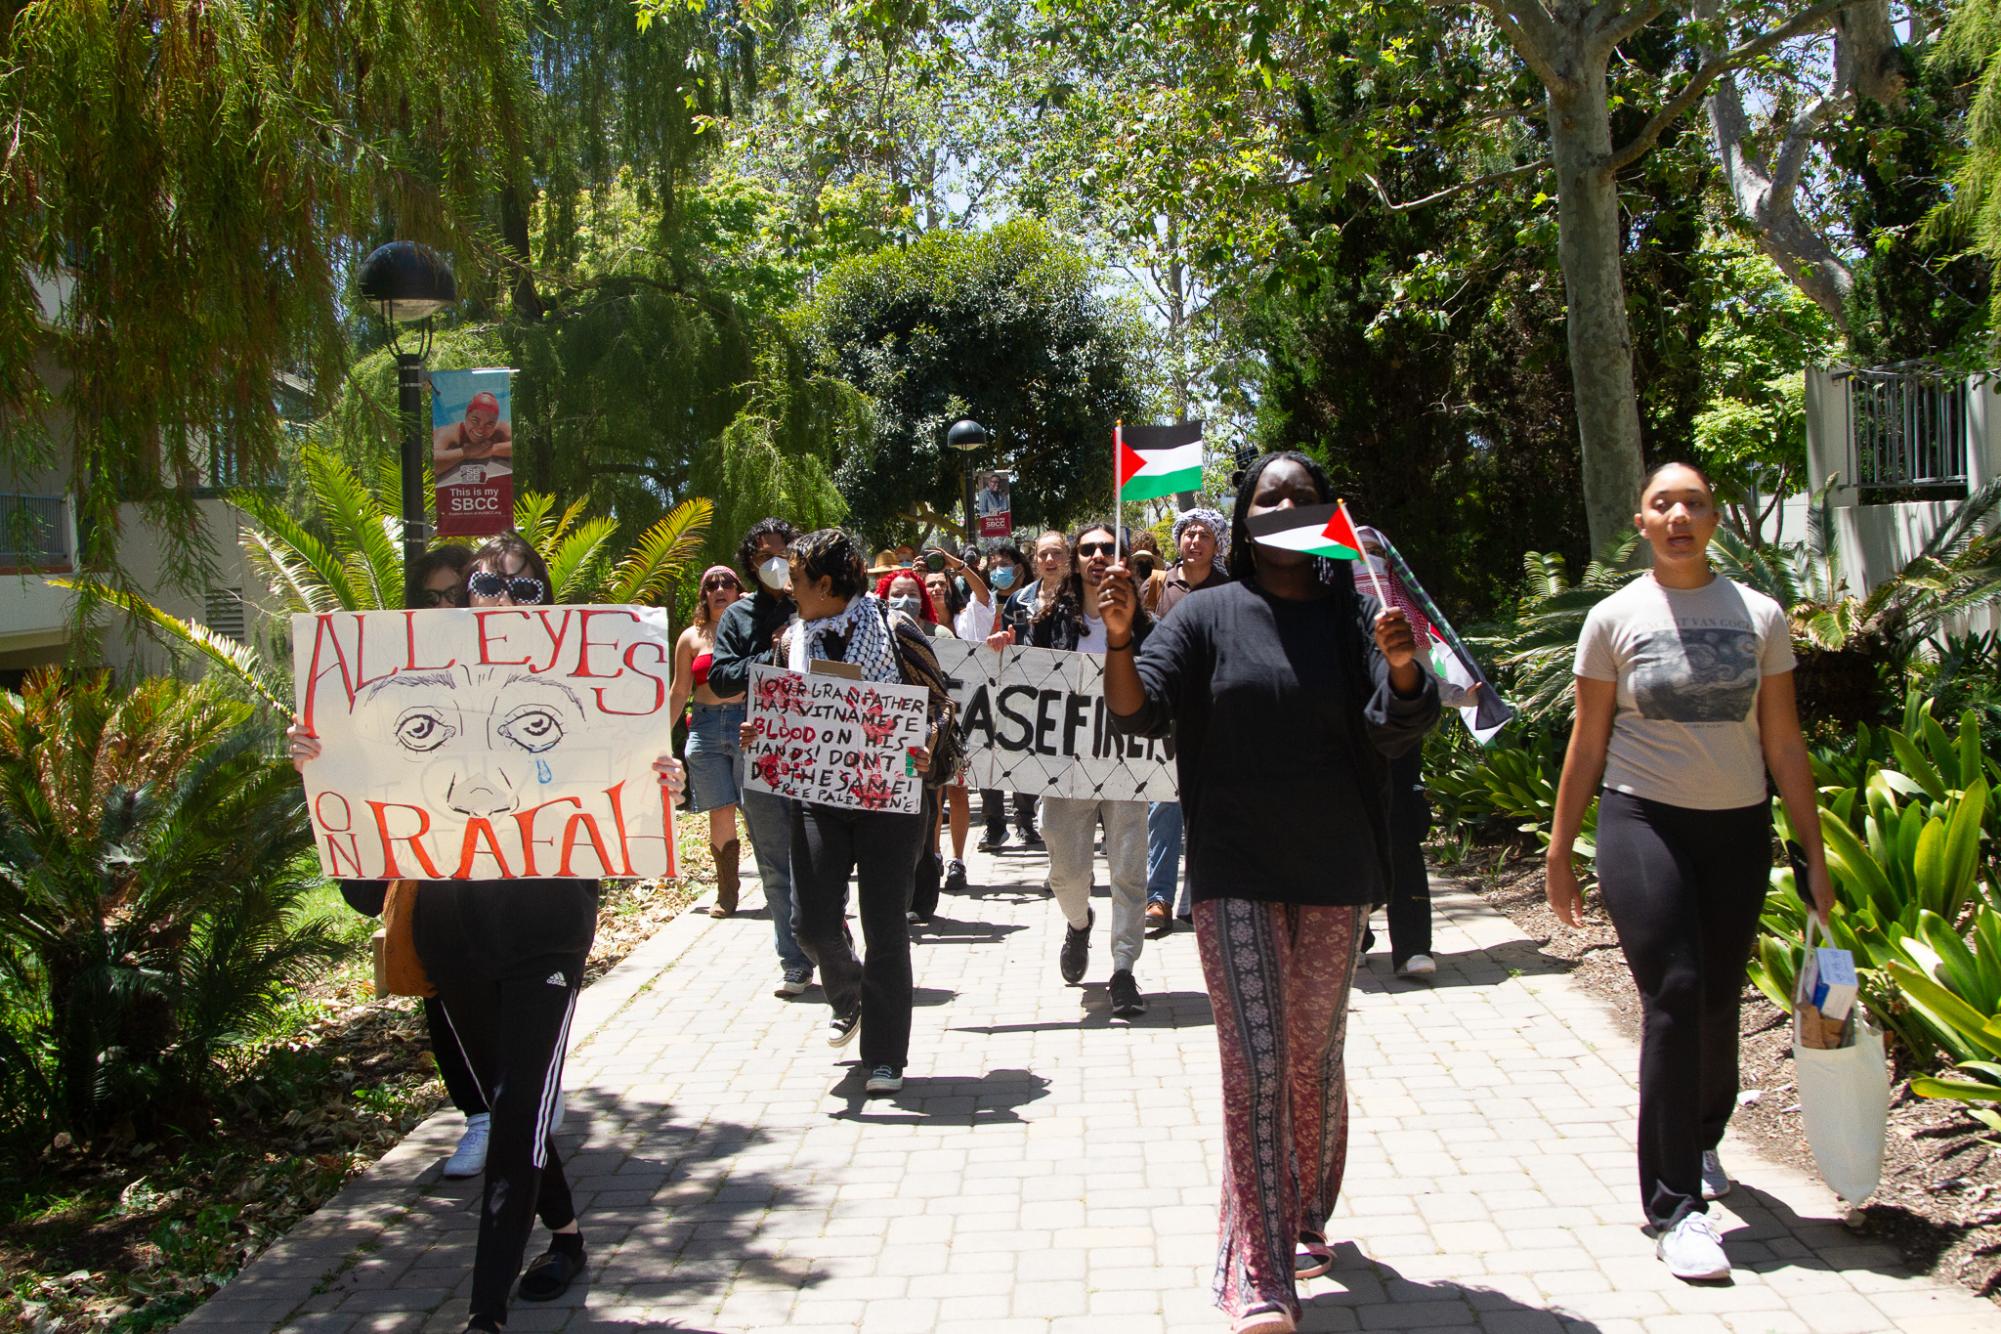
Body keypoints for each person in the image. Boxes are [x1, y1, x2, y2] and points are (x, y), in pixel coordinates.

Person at [291, 533, 689, 1334]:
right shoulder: (403, 698)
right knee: (514, 1098)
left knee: (515, 1113)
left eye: (526, 589)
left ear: (555, 605)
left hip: (546, 925)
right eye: (484, 585)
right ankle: (567, 1237)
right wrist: (324, 767)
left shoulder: (584, 700)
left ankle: (484, 1312)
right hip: (452, 930)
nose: (503, 600)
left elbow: (627, 824)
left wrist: (659, 780)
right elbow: (365, 883)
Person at [1103, 451, 1439, 1334]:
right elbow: (1136, 714)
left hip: (1333, 871)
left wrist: (1402, 666)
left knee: (1309, 1059)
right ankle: (1258, 1277)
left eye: (1302, 495)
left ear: (1326, 513)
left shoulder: (1355, 612)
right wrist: (1117, 638)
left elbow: (1398, 722)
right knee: (1254, 1066)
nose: (1285, 505)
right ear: (1245, 516)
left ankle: (1304, 1211)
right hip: (1235, 870)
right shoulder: (1206, 613)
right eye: (1267, 495)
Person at [1546, 460, 1834, 1283]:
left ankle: (1702, 1133)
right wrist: (1561, 847)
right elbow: (1587, 742)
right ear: (1639, 521)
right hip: (1642, 822)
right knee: (1671, 991)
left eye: (1693, 503)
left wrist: (1811, 854)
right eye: (1661, 503)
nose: (1678, 514)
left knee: (1715, 998)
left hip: (1736, 827)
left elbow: (1781, 741)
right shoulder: (1612, 617)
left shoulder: (1759, 615)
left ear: (1714, 521)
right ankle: (1674, 1207)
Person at [743, 528, 950, 1096]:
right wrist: (761, 732)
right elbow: (783, 711)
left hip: (889, 801)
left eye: (799, 580)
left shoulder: (894, 627)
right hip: (818, 799)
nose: (790, 591)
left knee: (886, 926)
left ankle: (885, 1055)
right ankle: (848, 991)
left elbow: (938, 701)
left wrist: (928, 738)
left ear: (827, 584)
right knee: (810, 923)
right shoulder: (792, 640)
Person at [1002, 522, 1154, 1018]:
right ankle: (1079, 921)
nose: (1095, 556)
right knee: (1067, 873)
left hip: (1128, 768)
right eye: (1086, 549)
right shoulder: (1048, 622)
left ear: (1123, 558)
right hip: (1065, 771)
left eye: (1106, 548)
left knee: (1129, 871)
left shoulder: (1146, 628)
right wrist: (1003, 659)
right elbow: (1024, 689)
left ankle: (1124, 969)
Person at [708, 517, 817, 997]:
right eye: (762, 555)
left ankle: (831, 945)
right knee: (774, 861)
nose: (773, 561)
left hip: (819, 748)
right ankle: (792, 960)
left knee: (822, 855)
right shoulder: (738, 617)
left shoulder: (816, 602)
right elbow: (722, 677)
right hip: (761, 748)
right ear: (750, 564)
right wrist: (771, 657)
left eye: (782, 551)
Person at [1143, 506, 1232, 938]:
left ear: (1217, 545)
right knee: (1163, 805)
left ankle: (1197, 898)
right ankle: (1156, 898)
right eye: (1189, 534)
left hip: (1216, 714)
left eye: (1204, 535)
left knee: (1207, 808)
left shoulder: (1232, 588)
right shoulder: (1158, 584)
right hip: (1169, 711)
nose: (1195, 541)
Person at [669, 564, 749, 918]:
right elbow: (679, 690)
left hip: (746, 723)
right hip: (704, 727)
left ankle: (783, 885)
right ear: (703, 594)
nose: (719, 589)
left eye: (727, 584)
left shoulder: (751, 630)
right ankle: (727, 892)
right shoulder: (690, 638)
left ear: (737, 591)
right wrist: (657, 737)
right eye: (711, 584)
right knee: (720, 808)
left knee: (758, 807)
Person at [877, 568, 954, 923]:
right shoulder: (876, 633)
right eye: (896, 593)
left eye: (911, 593)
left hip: (921, 741)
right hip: (883, 742)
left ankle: (922, 898)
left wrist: (932, 737)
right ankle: (897, 896)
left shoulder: (937, 635)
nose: (903, 601)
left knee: (924, 812)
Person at [923, 565, 975, 895]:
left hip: (955, 726)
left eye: (942, 584)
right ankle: (934, 856)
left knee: (957, 792)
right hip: (925, 727)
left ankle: (958, 860)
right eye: (929, 584)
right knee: (931, 796)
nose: (936, 589)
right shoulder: (905, 629)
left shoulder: (953, 629)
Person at [432, 390, 514, 485]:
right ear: (466, 418)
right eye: (475, 420)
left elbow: (519, 447)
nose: (481, 429)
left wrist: (490, 450)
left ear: (495, 424)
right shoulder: (448, 433)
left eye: (489, 424)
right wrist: (467, 452)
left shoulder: (500, 430)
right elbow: (432, 463)